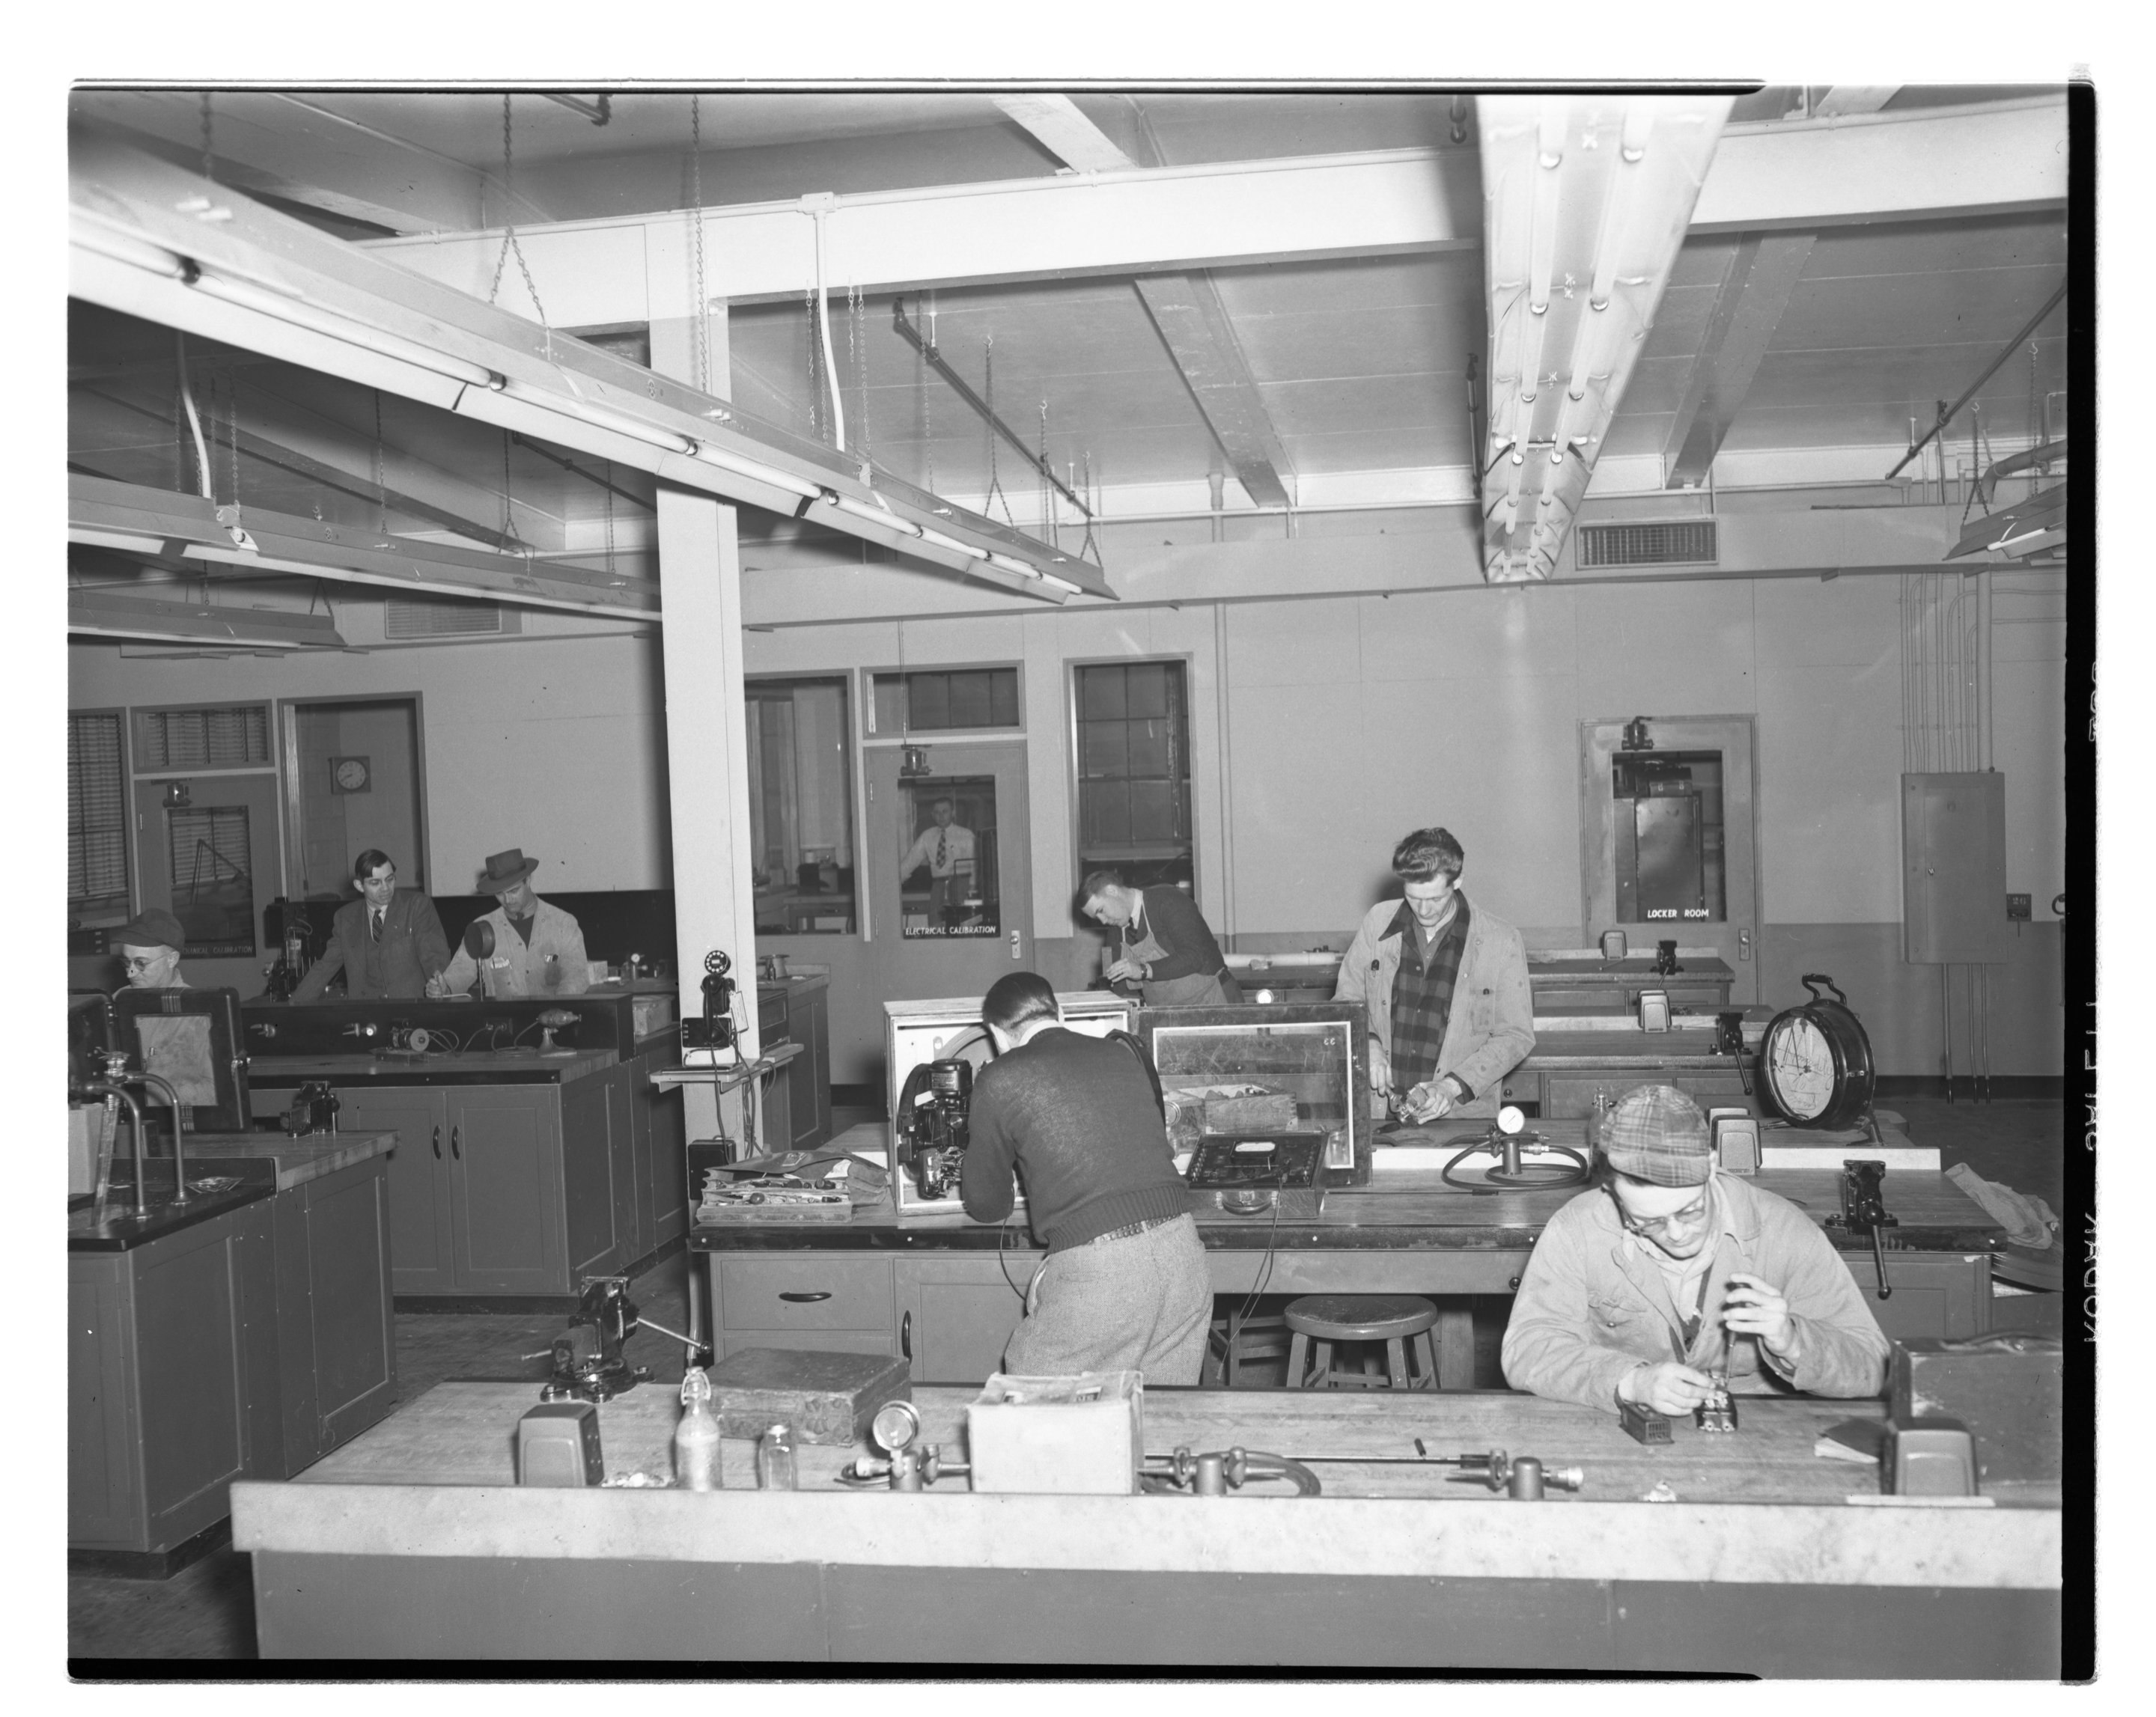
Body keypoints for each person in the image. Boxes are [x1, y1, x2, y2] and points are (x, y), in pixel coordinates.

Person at [1502, 1084, 1892, 1412]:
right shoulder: (1578, 1229)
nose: (1675, 1234)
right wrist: (1630, 1381)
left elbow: (1874, 1365)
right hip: (1625, 1419)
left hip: (1760, 1421)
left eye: (1690, 1211)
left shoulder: (1783, 1231)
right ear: (1613, 1191)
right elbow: (1527, 1349)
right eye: (1648, 1221)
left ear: (1710, 1164)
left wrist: (1792, 1341)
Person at [960, 972, 1211, 1383]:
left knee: (1034, 1402)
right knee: (1157, 1412)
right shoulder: (1121, 1055)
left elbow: (988, 1205)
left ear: (997, 1035)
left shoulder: (999, 1077)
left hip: (1103, 1274)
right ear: (1059, 1013)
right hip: (1184, 1255)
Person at [1333, 826, 1532, 1123]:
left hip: (1461, 1117)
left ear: (1458, 881)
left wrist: (1451, 1087)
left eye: (1436, 899)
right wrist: (1368, 1042)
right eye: (1413, 897)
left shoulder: (1501, 940)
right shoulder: (1377, 923)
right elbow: (1346, 1000)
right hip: (1379, 1113)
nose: (1424, 910)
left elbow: (1516, 1036)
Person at [290, 849, 451, 1002]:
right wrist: (292, 1006)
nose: (385, 888)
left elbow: (434, 955)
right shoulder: (345, 918)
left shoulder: (416, 906)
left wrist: (439, 985)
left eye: (390, 879)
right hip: (365, 1013)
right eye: (375, 883)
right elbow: (325, 967)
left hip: (411, 1010)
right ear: (359, 886)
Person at [435, 847, 590, 998]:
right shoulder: (482, 928)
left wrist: (557, 1008)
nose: (508, 900)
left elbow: (576, 976)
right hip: (502, 1015)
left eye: (514, 891)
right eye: (499, 894)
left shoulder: (564, 923)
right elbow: (462, 969)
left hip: (555, 1014)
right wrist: (445, 988)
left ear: (528, 880)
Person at [1079, 870, 1242, 1007]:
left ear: (1112, 891)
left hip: (1215, 1001)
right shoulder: (1116, 933)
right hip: (1169, 1015)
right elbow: (1122, 991)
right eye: (1096, 918)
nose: (1103, 921)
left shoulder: (1168, 902)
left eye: (1101, 910)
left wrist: (1142, 970)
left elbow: (1194, 957)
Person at [899, 799, 976, 924]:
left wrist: (972, 890)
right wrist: (893, 884)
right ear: (932, 815)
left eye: (945, 811)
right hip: (938, 886)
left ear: (953, 813)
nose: (941, 816)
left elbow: (975, 865)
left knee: (960, 924)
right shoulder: (927, 836)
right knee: (935, 923)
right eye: (937, 812)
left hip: (961, 886)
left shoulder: (966, 835)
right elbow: (910, 861)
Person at [110, 907, 189, 990]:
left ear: (172, 959)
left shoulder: (191, 999)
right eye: (127, 962)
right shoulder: (120, 996)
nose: (130, 974)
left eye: (141, 964)